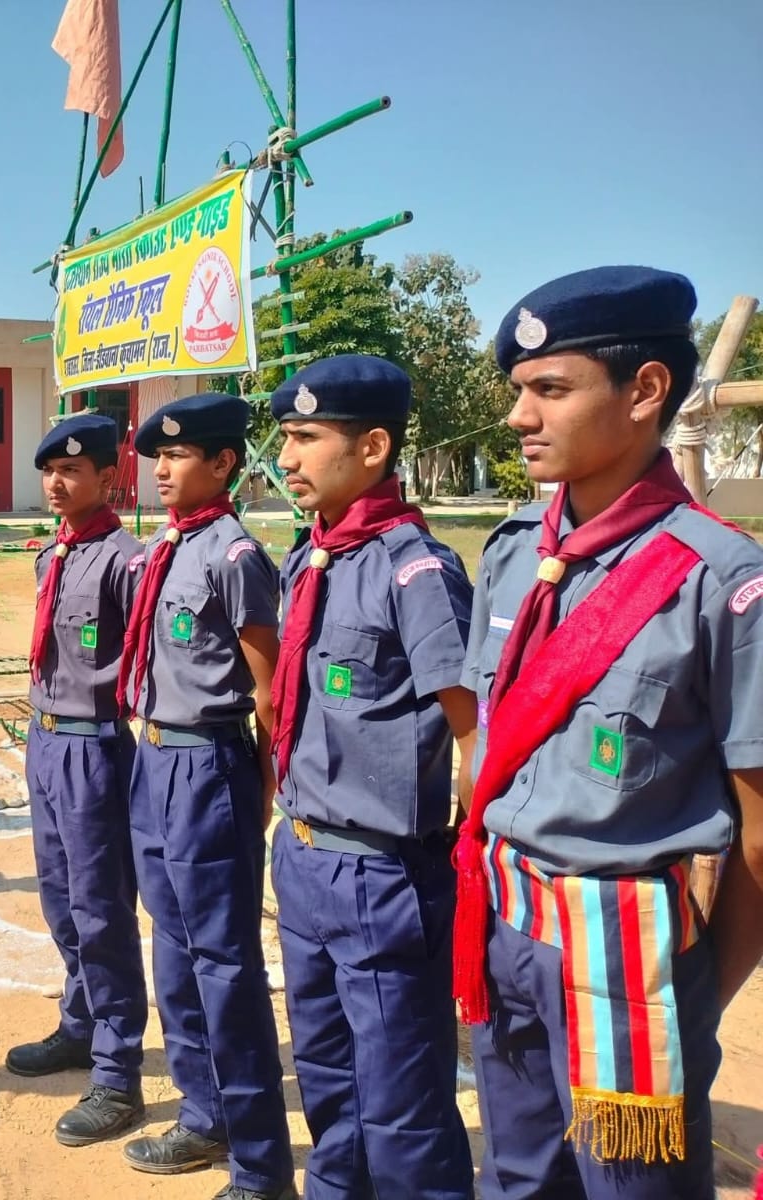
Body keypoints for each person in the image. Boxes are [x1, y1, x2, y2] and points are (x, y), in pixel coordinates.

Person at [456, 266, 763, 1198]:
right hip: (506, 922)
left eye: (550, 389)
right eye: (520, 391)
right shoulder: (514, 551)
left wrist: (699, 988)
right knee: (520, 1175)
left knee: (632, 1188)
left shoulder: (719, 577)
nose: (520, 416)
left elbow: (761, 825)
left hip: (625, 954)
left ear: (644, 392)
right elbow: (486, 749)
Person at [268, 355, 476, 1200]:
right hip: (308, 854)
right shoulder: (308, 561)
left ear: (373, 447)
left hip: (383, 872)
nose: (287, 459)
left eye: (306, 438)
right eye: (284, 438)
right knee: (326, 1078)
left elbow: (472, 727)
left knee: (401, 1100)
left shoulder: (414, 570)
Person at [116, 393, 295, 1200]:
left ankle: (260, 1163)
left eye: (179, 457)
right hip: (154, 761)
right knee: (175, 951)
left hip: (210, 766)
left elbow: (269, 693)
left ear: (222, 464)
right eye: (156, 457)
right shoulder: (169, 548)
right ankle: (203, 1112)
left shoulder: (233, 556)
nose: (161, 470)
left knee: (225, 965)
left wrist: (259, 793)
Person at [4, 412, 149, 1148]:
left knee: (101, 910)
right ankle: (79, 1024)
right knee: (60, 900)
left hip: (94, 746)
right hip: (45, 740)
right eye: (49, 472)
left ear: (105, 477)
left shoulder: (129, 562)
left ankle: (118, 1074)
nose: (56, 484)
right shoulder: (50, 556)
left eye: (72, 472)